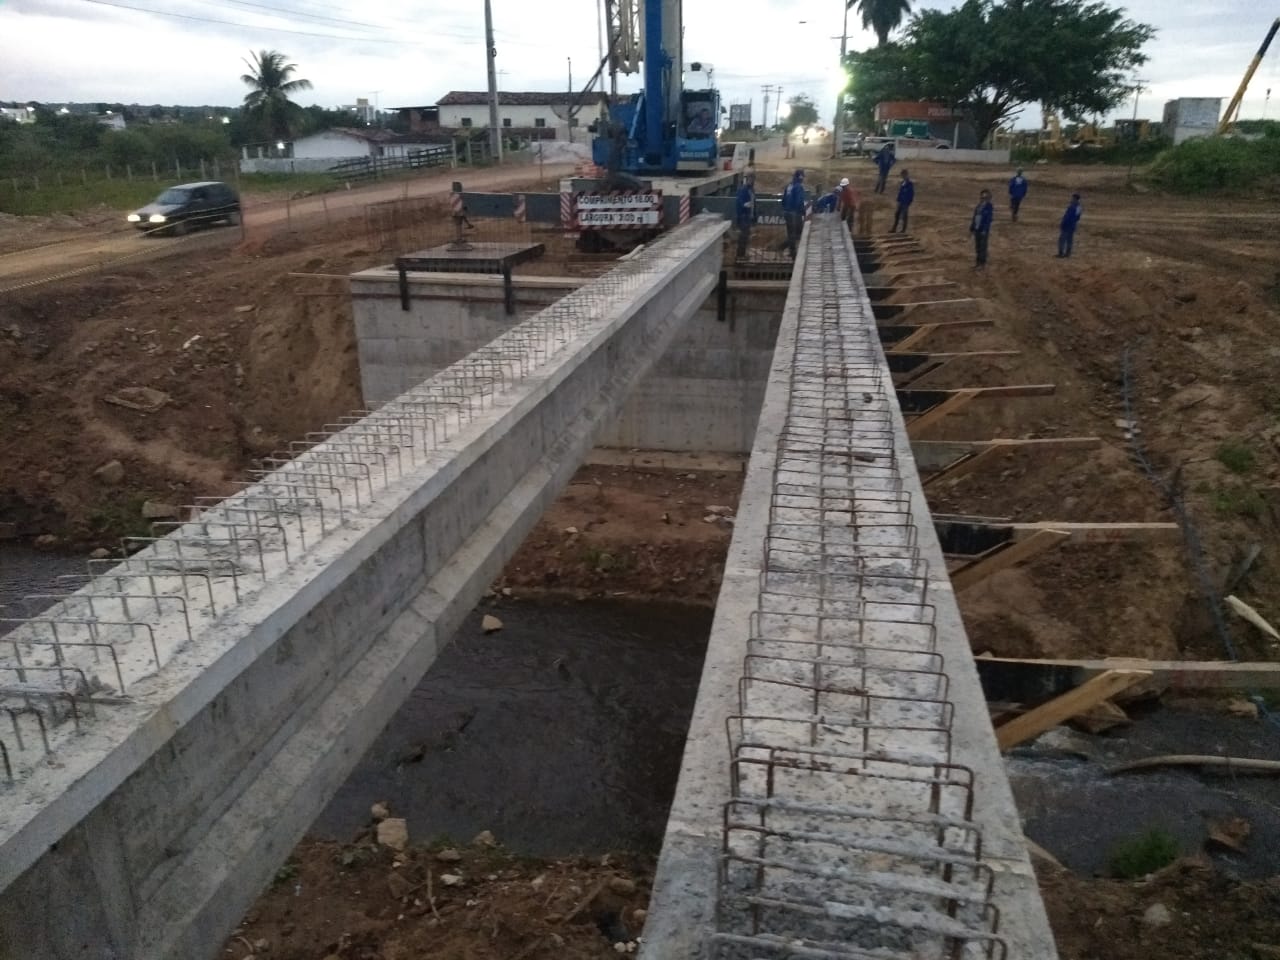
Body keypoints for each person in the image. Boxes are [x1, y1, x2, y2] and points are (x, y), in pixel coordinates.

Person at [781, 168, 807, 258]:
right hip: (794, 213)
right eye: (803, 177)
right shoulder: (798, 186)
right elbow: (799, 201)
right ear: (800, 177)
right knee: (797, 234)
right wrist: (803, 211)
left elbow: (783, 200)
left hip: (787, 212)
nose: (803, 179)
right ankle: (785, 248)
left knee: (790, 233)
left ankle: (791, 251)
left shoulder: (789, 186)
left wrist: (785, 209)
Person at [970, 188, 994, 270]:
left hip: (983, 230)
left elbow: (988, 219)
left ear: (988, 197)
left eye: (985, 197)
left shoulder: (989, 207)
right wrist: (972, 228)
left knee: (983, 247)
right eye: (982, 197)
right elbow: (974, 217)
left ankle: (982, 263)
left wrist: (985, 229)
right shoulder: (978, 206)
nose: (983, 199)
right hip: (977, 229)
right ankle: (977, 263)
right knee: (977, 247)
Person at [734, 173, 756, 260]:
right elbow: (739, 203)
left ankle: (743, 254)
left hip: (748, 216)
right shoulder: (743, 190)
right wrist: (745, 206)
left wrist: (754, 216)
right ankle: (740, 255)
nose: (751, 181)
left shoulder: (751, 190)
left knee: (746, 236)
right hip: (743, 216)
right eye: (750, 179)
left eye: (752, 179)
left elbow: (754, 204)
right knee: (743, 236)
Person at [1057, 192, 1083, 257]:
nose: (1071, 199)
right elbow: (1077, 217)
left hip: (1068, 225)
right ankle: (1068, 253)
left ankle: (1061, 253)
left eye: (1072, 198)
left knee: (1062, 239)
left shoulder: (1072, 207)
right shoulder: (1079, 207)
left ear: (1075, 199)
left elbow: (1068, 216)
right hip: (1073, 225)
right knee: (1069, 239)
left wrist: (1063, 223)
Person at [891, 169, 914, 233]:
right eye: (902, 175)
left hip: (905, 202)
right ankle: (894, 228)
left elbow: (911, 194)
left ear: (906, 175)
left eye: (904, 175)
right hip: (901, 201)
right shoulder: (903, 183)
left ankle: (903, 230)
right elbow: (900, 192)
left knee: (904, 216)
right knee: (897, 215)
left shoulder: (910, 184)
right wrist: (898, 200)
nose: (903, 177)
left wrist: (908, 202)